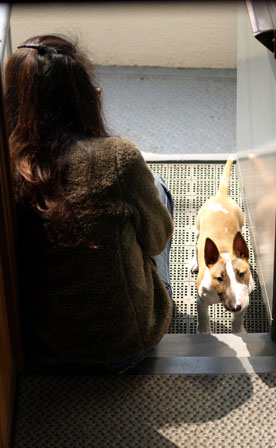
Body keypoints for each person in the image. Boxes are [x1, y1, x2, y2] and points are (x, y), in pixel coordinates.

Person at [4, 34, 174, 374]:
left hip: (42, 348)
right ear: (85, 96)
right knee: (157, 188)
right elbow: (156, 241)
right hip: (124, 348)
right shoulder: (117, 158)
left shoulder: (10, 163)